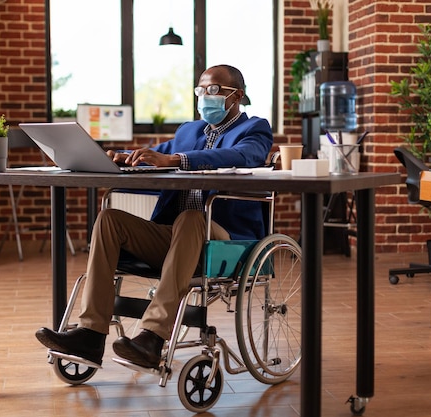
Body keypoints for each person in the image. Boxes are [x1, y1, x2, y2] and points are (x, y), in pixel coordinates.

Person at [35, 64, 274, 369]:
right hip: (176, 238)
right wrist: (126, 158)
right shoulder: (189, 131)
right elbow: (155, 154)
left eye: (213, 90)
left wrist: (177, 160)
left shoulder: (253, 129)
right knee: (110, 219)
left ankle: (152, 337)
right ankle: (90, 335)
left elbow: (242, 157)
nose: (204, 96)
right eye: (200, 90)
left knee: (190, 218)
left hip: (222, 241)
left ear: (236, 95)